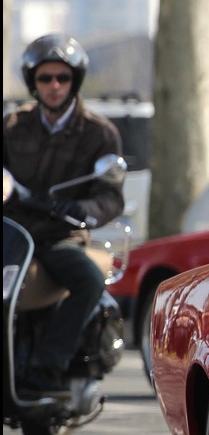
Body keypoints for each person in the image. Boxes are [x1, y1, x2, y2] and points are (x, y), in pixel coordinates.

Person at [2, 35, 125, 397]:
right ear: (32, 82)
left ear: (75, 80)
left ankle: (48, 367)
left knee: (88, 280)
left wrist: (82, 210)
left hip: (60, 237)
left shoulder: (99, 133)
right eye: (45, 78)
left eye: (62, 78)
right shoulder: (11, 127)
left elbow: (110, 196)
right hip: (12, 234)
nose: (54, 86)